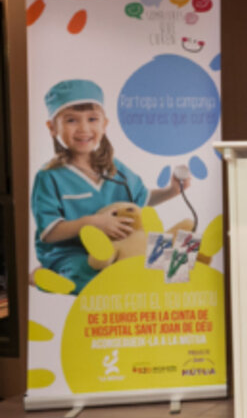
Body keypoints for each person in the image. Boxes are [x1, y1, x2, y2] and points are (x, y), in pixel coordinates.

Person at [31, 79, 189, 293]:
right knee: (100, 278)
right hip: (72, 252)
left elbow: (139, 199)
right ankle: (43, 278)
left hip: (122, 243)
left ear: (104, 124)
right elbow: (49, 232)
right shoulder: (49, 177)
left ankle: (192, 264)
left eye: (92, 119)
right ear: (52, 127)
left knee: (178, 268)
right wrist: (92, 223)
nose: (84, 128)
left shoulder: (115, 168)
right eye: (71, 120)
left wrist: (172, 191)